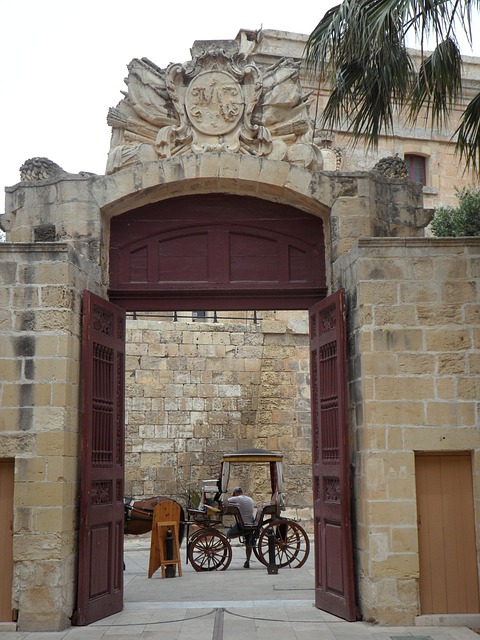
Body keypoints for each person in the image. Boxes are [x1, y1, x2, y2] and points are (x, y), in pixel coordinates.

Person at [226, 487, 255, 568]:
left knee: (228, 534)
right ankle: (247, 561)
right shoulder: (249, 499)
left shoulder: (238, 498)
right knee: (248, 545)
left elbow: (226, 501)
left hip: (242, 524)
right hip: (251, 523)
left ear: (236, 493)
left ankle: (241, 534)